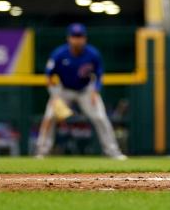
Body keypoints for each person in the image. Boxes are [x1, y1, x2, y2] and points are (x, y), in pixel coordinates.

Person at [36, 23, 125, 159]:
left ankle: (113, 151)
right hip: (63, 90)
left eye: (80, 36)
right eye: (74, 36)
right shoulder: (59, 54)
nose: (77, 39)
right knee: (49, 117)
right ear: (69, 38)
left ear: (85, 38)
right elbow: (48, 75)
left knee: (100, 118)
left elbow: (99, 74)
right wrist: (54, 96)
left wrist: (96, 91)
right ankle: (42, 152)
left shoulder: (92, 54)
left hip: (86, 90)